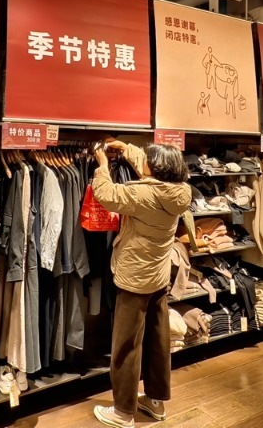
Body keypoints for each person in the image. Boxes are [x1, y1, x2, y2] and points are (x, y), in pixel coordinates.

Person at [91, 140, 191, 428]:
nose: (143, 160)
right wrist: (126, 148)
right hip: (158, 276)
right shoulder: (180, 191)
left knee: (126, 345)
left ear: (155, 167)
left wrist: (102, 165)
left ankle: (123, 412)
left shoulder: (142, 194)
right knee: (157, 340)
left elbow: (106, 194)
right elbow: (150, 169)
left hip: (134, 278)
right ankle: (155, 401)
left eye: (148, 158)